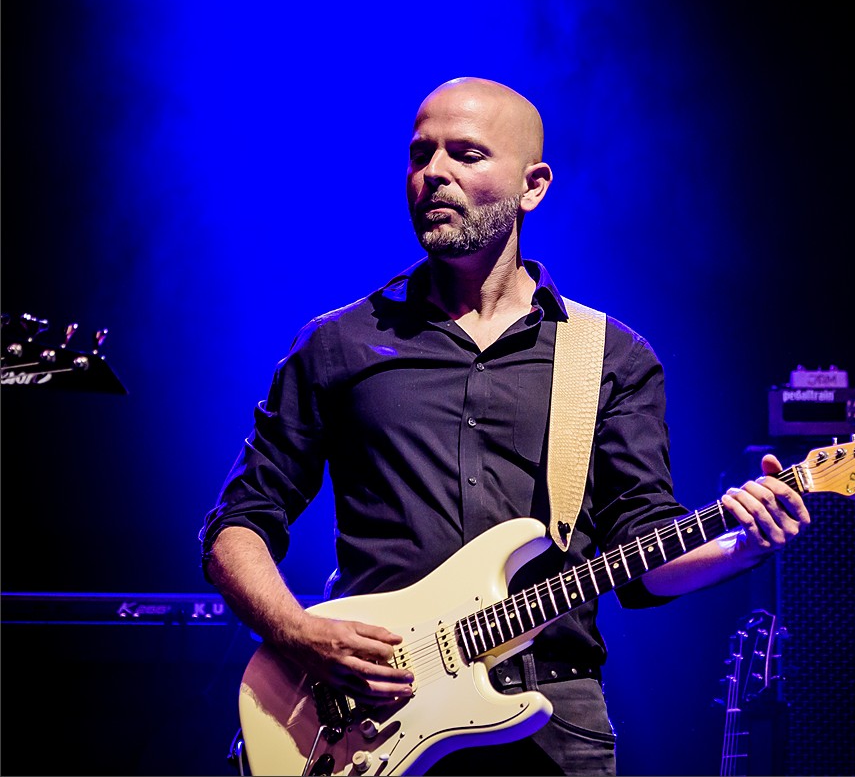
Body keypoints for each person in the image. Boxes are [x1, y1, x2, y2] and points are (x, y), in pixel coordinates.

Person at [198, 76, 810, 776]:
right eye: (421, 154)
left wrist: (742, 543)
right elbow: (235, 525)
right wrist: (298, 633)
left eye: (466, 154)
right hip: (370, 716)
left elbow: (642, 562)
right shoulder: (339, 345)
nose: (434, 173)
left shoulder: (609, 356)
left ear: (533, 186)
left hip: (553, 720)